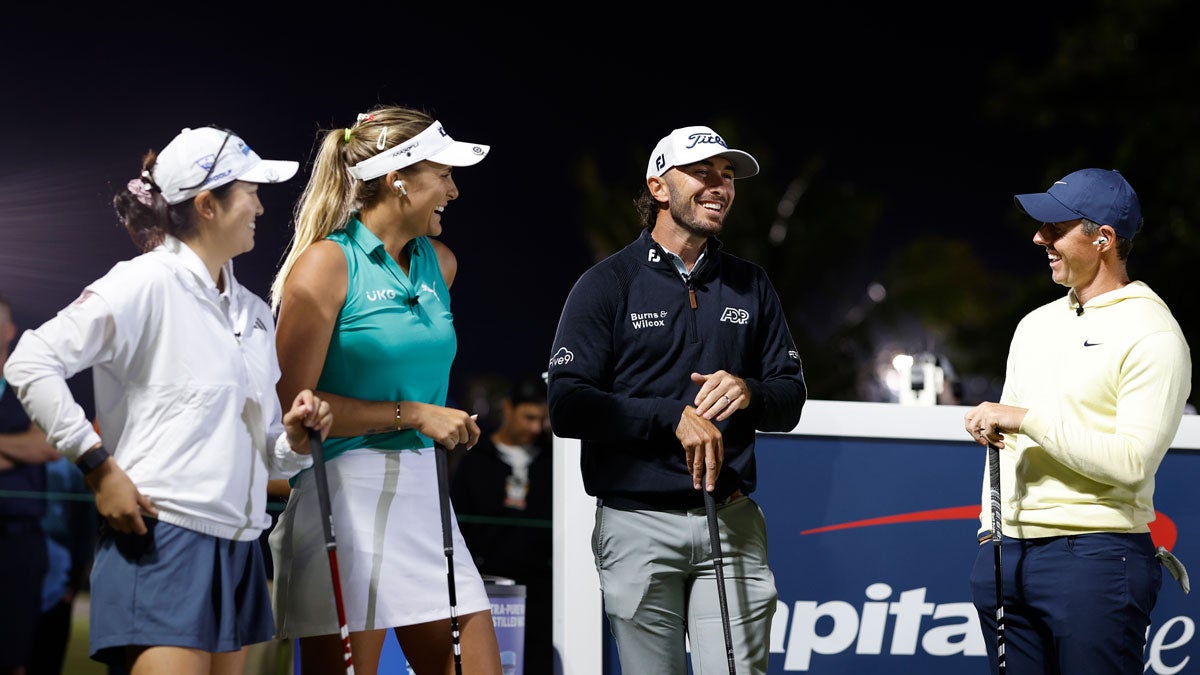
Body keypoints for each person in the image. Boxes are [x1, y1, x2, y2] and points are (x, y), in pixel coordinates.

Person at [3, 125, 333, 674]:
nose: (259, 206)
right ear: (207, 205)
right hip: (162, 537)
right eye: (250, 191)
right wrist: (99, 468)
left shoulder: (253, 311)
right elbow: (30, 362)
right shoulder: (143, 283)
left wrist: (294, 439)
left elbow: (269, 446)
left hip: (241, 546)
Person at [546, 125, 807, 674]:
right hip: (637, 523)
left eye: (728, 176)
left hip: (730, 523)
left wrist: (748, 390)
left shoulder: (750, 283)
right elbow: (568, 404)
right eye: (703, 173)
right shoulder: (607, 283)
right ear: (658, 187)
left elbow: (789, 398)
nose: (720, 186)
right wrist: (670, 417)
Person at [267, 104, 502, 675]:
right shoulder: (325, 265)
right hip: (345, 498)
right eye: (442, 175)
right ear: (399, 181)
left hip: (425, 492)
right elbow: (297, 413)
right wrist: (415, 414)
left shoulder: (440, 263)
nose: (453, 189)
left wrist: (421, 421)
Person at [964, 168, 1192, 674]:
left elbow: (1132, 462)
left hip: (1098, 560)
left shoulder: (1153, 333)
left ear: (1104, 239)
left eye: (1055, 227)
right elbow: (1008, 440)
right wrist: (989, 536)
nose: (1038, 237)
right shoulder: (1034, 324)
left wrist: (1028, 419)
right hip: (1010, 556)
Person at [450, 372, 553, 674]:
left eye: (542, 420)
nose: (536, 428)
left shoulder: (553, 461)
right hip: (487, 584)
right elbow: (460, 521)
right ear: (508, 409)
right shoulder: (476, 459)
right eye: (529, 417)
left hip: (540, 587)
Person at [0, 293, 60, 675]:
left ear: (9, 331)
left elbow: (47, 444)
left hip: (17, 545)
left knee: (13, 657)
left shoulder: (29, 383)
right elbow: (32, 445)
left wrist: (29, 446)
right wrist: (17, 448)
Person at [30, 453, 97, 675]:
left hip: (56, 581)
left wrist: (73, 582)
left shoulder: (68, 467)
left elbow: (85, 529)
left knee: (47, 659)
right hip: (17, 577)